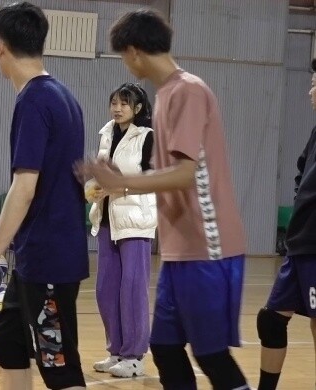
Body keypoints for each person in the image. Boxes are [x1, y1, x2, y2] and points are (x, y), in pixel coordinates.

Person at [74, 9, 250, 389]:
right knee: (166, 348)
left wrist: (120, 183)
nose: (125, 63)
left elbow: (187, 173)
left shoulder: (187, 90)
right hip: (179, 249)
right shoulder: (168, 94)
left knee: (210, 354)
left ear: (134, 51)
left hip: (208, 246)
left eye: (123, 55)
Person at [0, 2, 88, 389]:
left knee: (59, 367)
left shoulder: (35, 100)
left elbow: (25, 186)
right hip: (38, 258)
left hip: (49, 261)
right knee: (9, 342)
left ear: (0, 47)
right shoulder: (63, 95)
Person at [86, 82, 156, 378]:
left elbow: (155, 180)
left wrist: (120, 186)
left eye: (124, 104)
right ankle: (115, 350)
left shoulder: (148, 137)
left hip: (135, 223)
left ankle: (134, 356)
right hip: (106, 220)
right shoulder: (106, 133)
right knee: (106, 290)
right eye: (114, 102)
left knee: (132, 289)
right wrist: (93, 188)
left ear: (137, 108)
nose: (117, 108)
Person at [256, 58, 316, 390]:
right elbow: (300, 174)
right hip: (300, 245)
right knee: (271, 320)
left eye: (314, 83)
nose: (310, 90)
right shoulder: (315, 132)